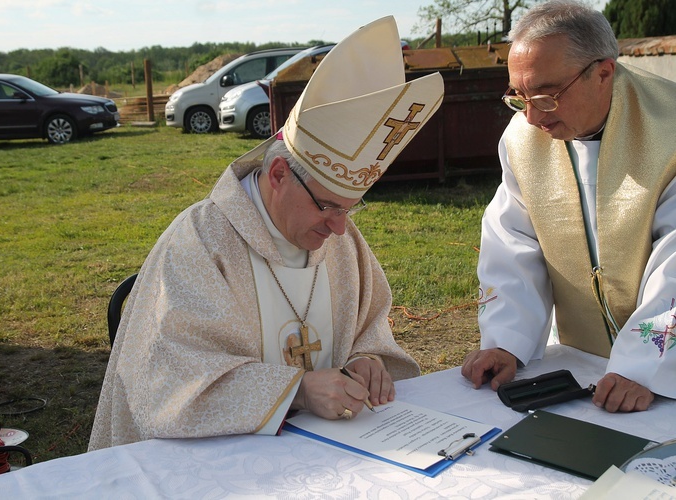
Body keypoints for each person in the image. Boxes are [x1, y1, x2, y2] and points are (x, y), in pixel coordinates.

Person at [89, 16, 444, 450]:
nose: (339, 228)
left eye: (351, 208)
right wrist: (296, 390)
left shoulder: (340, 239)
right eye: (329, 206)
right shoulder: (201, 241)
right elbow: (171, 377)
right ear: (278, 173)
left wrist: (366, 359)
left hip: (334, 448)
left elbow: (370, 327)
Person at [462, 0, 676, 413]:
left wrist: (644, 367)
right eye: (518, 95)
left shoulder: (670, 129)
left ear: (603, 73)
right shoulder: (523, 141)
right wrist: (508, 341)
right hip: (581, 361)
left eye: (545, 95)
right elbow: (511, 242)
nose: (529, 117)